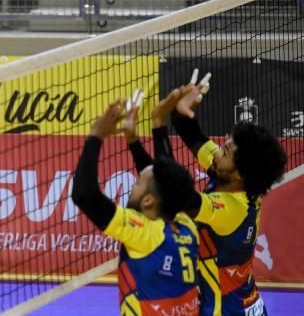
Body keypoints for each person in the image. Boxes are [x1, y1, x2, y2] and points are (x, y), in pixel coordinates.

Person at [153, 72, 287, 315]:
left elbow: (175, 192)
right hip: (249, 303)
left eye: (224, 152)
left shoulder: (229, 209)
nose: (216, 153)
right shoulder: (236, 179)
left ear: (240, 174)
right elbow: (194, 136)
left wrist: (159, 124)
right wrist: (181, 111)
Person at [71, 97, 201, 315]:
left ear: (149, 201)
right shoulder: (186, 224)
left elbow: (84, 194)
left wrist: (96, 134)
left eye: (138, 183)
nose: (133, 185)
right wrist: (132, 140)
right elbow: (163, 180)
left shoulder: (144, 234)